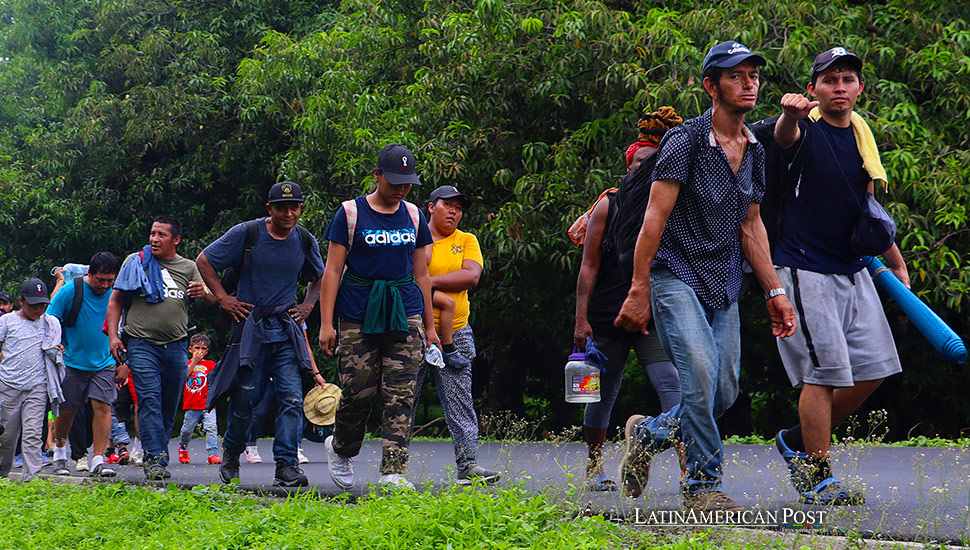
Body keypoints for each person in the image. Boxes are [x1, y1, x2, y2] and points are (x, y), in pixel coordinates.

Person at [613, 41, 797, 511]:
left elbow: (750, 224)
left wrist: (774, 290)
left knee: (724, 390)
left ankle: (648, 434)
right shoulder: (686, 141)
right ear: (711, 86)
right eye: (736, 76)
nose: (749, 82)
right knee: (698, 377)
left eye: (753, 74)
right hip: (674, 273)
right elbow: (653, 220)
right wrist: (639, 289)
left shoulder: (754, 149)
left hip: (724, 280)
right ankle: (702, 486)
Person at [770, 47, 906, 505]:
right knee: (823, 374)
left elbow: (865, 205)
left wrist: (896, 260)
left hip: (854, 267)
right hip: (805, 266)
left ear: (859, 88)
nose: (840, 88)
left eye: (847, 79)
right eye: (829, 80)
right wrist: (790, 116)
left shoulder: (862, 134)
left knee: (875, 370)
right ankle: (819, 474)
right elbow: (784, 139)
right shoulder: (804, 129)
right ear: (814, 90)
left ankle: (795, 440)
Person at [573, 107, 684, 491]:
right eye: (639, 161)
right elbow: (588, 266)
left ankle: (691, 471)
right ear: (628, 164)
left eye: (652, 162)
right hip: (607, 314)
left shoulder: (673, 203)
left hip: (654, 312)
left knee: (671, 385)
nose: (644, 167)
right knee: (602, 390)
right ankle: (593, 467)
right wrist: (581, 321)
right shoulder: (608, 204)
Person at [319, 143, 440, 491]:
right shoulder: (350, 213)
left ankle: (393, 471)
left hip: (405, 312)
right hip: (358, 312)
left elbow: (422, 275)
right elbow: (332, 271)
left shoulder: (415, 216)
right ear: (377, 176)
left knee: (400, 393)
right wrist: (327, 323)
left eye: (407, 182)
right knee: (358, 391)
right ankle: (341, 448)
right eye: (394, 181)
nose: (401, 188)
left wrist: (430, 327)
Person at [197, 181, 325, 488]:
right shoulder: (248, 233)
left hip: (284, 331)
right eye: (282, 207)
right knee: (246, 399)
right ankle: (232, 454)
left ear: (301, 209)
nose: (288, 213)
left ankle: (287, 465)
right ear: (269, 209)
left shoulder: (304, 240)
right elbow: (204, 260)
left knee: (292, 398)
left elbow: (319, 276)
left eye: (294, 207)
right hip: (250, 329)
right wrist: (224, 298)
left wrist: (308, 305)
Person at [106, 215, 215, 480]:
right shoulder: (136, 262)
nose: (154, 239)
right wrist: (113, 338)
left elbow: (212, 297)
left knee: (168, 404)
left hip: (177, 347)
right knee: (149, 400)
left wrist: (204, 292)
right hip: (142, 345)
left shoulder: (188, 267)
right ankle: (155, 458)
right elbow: (115, 302)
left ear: (176, 240)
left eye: (161, 235)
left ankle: (157, 455)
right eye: (152, 233)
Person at [411, 185, 501, 485]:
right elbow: (407, 278)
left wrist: (429, 280)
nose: (453, 211)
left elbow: (471, 276)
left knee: (460, 399)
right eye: (447, 204)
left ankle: (468, 465)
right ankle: (393, 468)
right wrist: (427, 284)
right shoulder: (415, 237)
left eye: (459, 207)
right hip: (415, 329)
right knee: (403, 399)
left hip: (457, 330)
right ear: (431, 207)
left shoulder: (466, 240)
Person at [46, 252, 123, 478]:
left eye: (110, 280)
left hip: (105, 360)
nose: (105, 285)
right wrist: (57, 346)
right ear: (90, 273)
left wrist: (123, 363)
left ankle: (98, 459)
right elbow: (51, 320)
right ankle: (60, 453)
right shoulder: (72, 290)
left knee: (103, 407)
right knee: (67, 410)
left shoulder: (117, 294)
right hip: (72, 361)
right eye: (101, 279)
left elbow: (125, 325)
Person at [0, 278, 61, 481]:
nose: (38, 309)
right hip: (8, 385)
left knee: (33, 434)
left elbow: (53, 350)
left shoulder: (50, 323)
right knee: (6, 436)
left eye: (42, 305)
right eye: (34, 305)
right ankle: (2, 474)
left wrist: (57, 351)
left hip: (37, 385)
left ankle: (31, 480)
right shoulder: (6, 321)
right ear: (22, 301)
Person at [177, 333, 221, 465]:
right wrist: (194, 362)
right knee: (187, 430)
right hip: (191, 404)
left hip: (208, 404)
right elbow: (183, 376)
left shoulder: (210, 364)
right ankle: (183, 448)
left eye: (203, 349)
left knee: (211, 428)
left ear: (207, 351)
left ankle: (212, 453)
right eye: (197, 348)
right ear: (190, 349)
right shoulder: (186, 363)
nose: (200, 352)